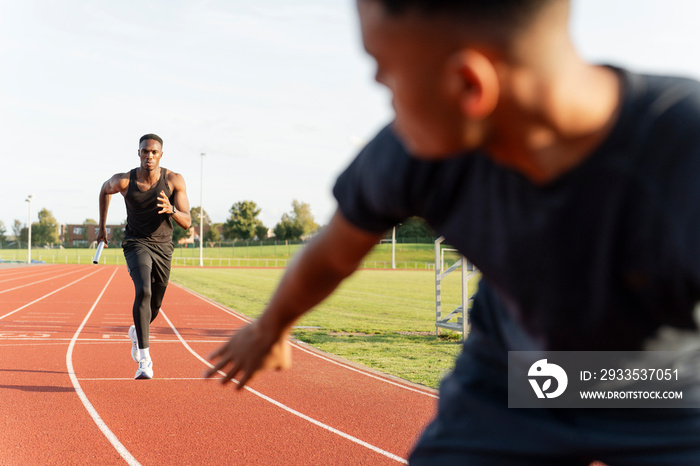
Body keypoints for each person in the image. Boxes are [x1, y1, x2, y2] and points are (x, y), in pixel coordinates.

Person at [206, 0, 700, 463]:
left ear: (467, 86)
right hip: (515, 380)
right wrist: (270, 328)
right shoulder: (411, 155)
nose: (378, 81)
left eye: (383, 69)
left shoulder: (683, 159)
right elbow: (334, 253)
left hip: (664, 389)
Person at [98, 133, 191, 380]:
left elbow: (187, 222)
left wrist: (172, 210)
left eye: (154, 152)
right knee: (144, 290)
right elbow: (103, 190)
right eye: (145, 151)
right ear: (138, 153)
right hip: (136, 243)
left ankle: (136, 332)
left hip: (163, 247)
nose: (149, 156)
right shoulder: (124, 181)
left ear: (161, 155)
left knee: (155, 304)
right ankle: (145, 360)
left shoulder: (174, 181)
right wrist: (101, 227)